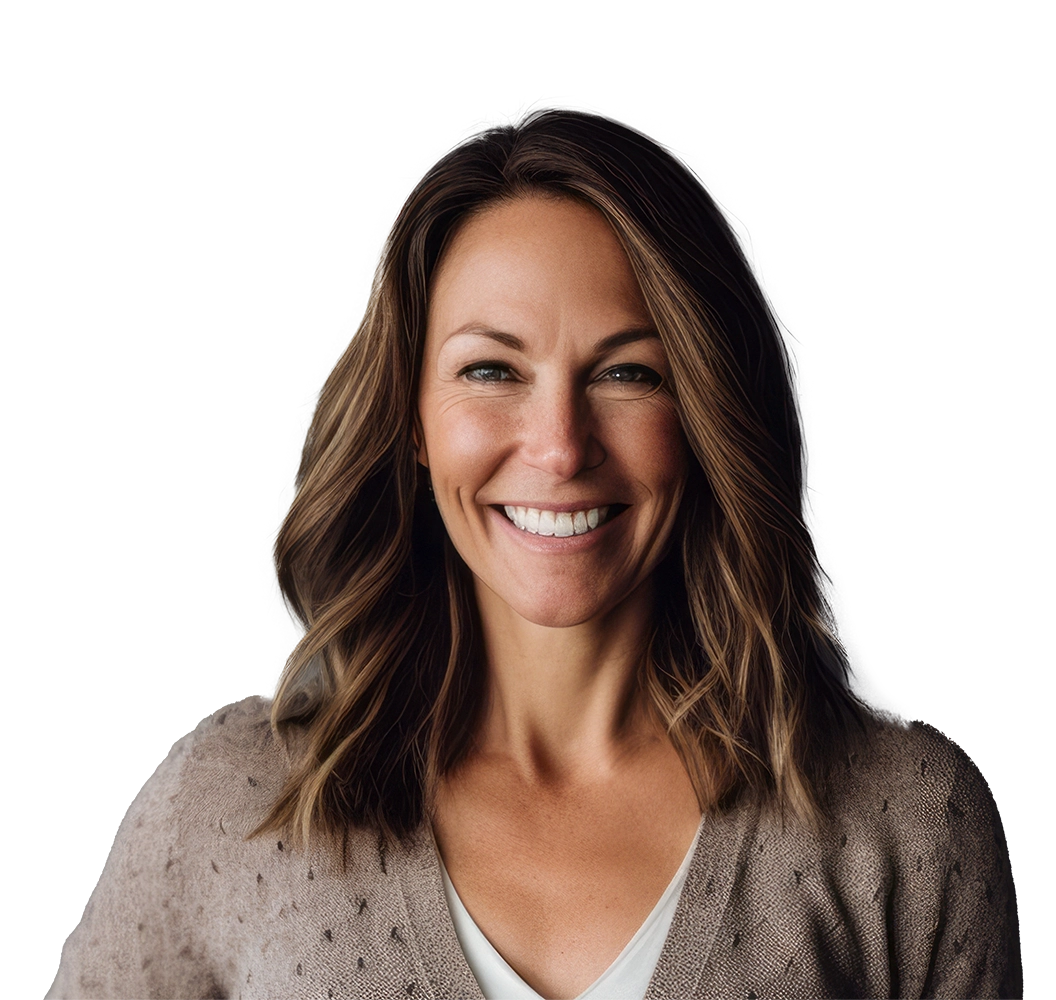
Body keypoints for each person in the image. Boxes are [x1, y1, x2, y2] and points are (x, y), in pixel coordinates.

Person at [49, 107, 1015, 1000]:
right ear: (413, 420)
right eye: (491, 370)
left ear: (707, 416)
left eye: (629, 373)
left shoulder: (908, 825)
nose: (559, 446)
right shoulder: (228, 810)